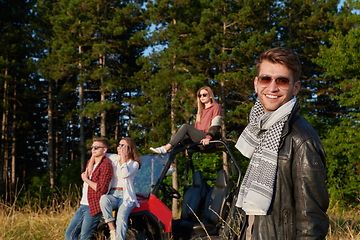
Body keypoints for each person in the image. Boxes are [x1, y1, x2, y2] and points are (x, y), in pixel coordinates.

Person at [235, 47, 329, 240]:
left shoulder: (302, 139)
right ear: (256, 83)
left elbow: (312, 222)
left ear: (295, 87)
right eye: (265, 79)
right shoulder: (260, 130)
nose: (272, 87)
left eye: (282, 81)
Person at [65, 137, 113, 240]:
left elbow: (102, 189)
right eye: (92, 147)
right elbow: (92, 161)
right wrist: (92, 159)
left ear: (104, 150)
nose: (93, 149)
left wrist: (85, 179)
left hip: (93, 206)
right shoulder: (91, 163)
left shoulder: (106, 165)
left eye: (96, 147)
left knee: (85, 238)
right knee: (69, 234)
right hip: (83, 204)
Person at [150, 86, 222, 154]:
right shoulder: (200, 112)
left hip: (209, 141)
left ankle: (165, 148)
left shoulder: (215, 106)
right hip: (198, 141)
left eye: (204, 95)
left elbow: (215, 125)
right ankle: (169, 164)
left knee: (185, 126)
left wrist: (208, 138)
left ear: (210, 95)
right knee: (175, 137)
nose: (202, 97)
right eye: (200, 95)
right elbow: (196, 130)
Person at [98, 137, 142, 240]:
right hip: (113, 194)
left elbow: (124, 174)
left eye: (123, 145)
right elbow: (100, 154)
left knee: (121, 218)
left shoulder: (134, 164)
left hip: (126, 197)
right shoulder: (114, 158)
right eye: (119, 145)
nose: (119, 147)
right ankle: (112, 229)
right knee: (104, 199)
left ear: (130, 149)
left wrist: (123, 157)